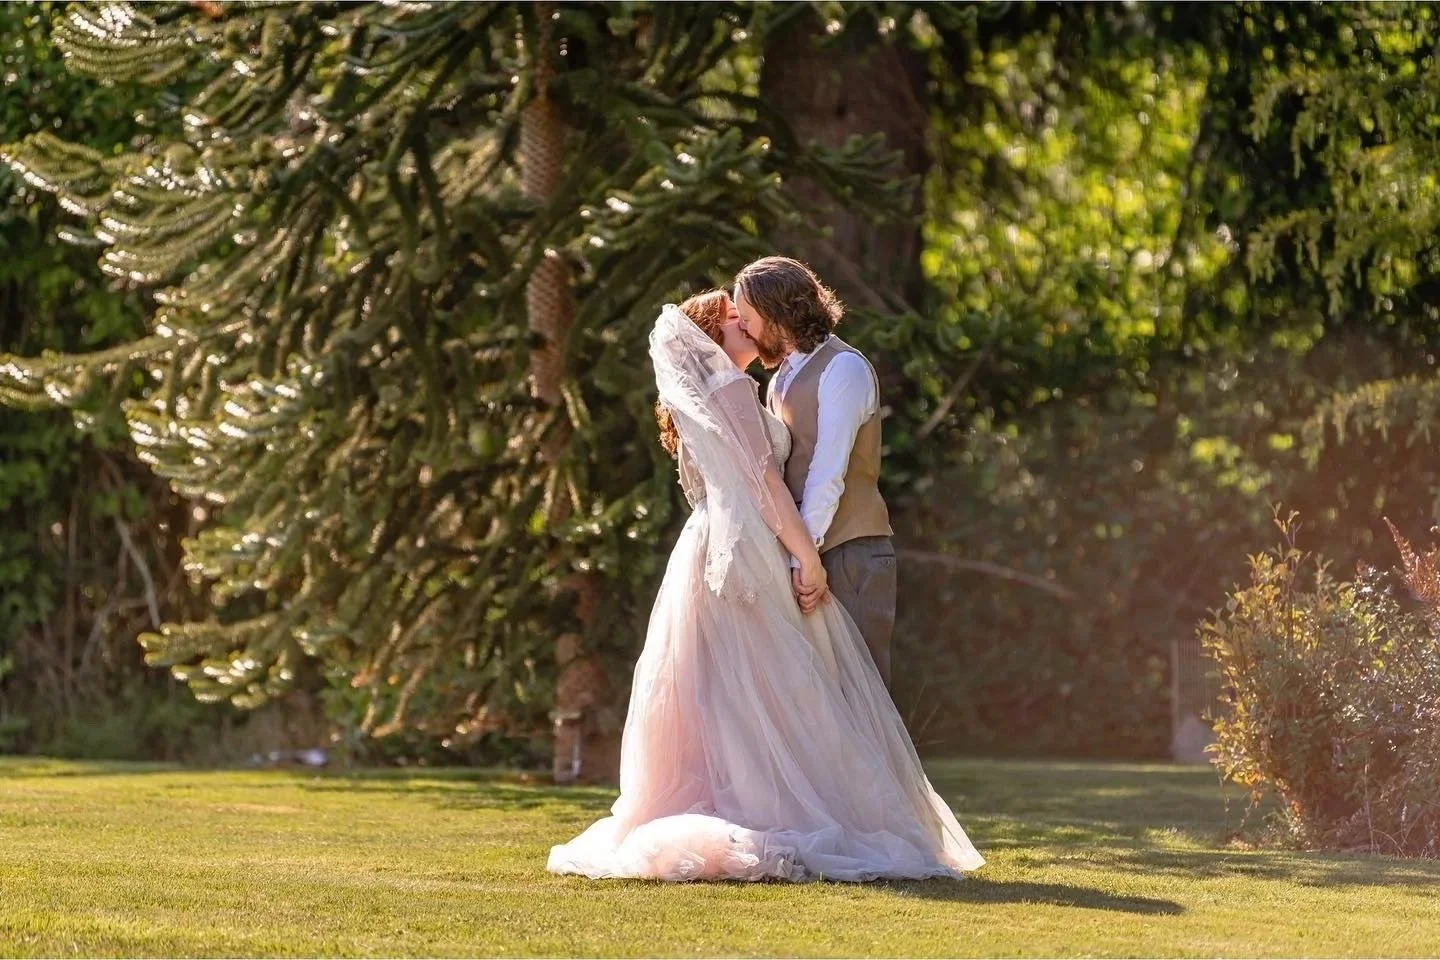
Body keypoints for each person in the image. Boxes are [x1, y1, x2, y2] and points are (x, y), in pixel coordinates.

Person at [546, 288, 983, 882]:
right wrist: (808, 555)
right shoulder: (729, 389)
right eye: (733, 320)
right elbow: (764, 486)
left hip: (711, 543)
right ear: (711, 337)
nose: (745, 325)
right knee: (774, 682)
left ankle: (740, 798)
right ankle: (772, 807)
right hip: (748, 542)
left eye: (744, 314)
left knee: (736, 686)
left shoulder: (733, 393)